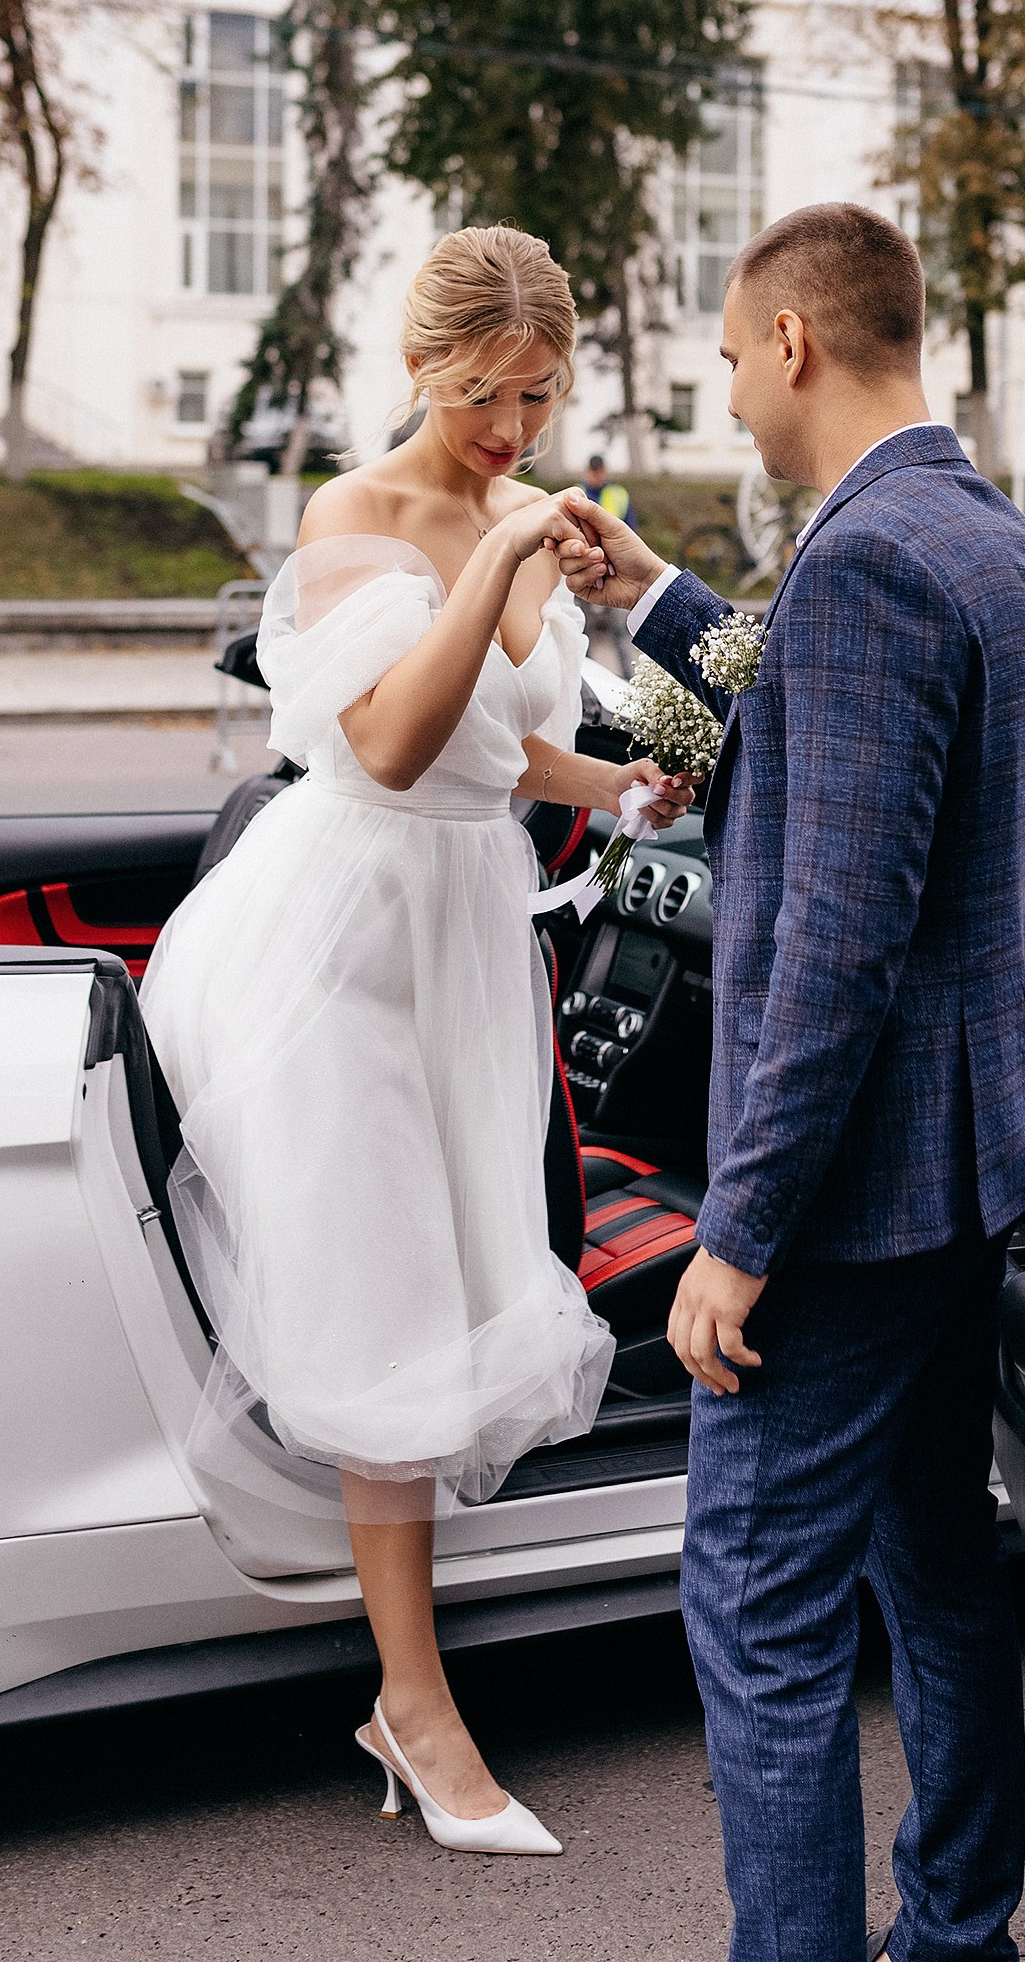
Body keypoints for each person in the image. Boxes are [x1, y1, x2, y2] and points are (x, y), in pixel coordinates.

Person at [553, 203, 1025, 1962]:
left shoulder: (861, 567)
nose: (718, 380)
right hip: (965, 1169)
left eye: (723, 345)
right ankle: (955, 1959)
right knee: (935, 1557)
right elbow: (820, 741)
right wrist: (651, 602)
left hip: (844, 1208)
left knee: (760, 1622)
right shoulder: (987, 539)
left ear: (791, 342)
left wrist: (738, 1232)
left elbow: (839, 938)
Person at [141, 225, 690, 1858]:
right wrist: (502, 552)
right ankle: (417, 1706)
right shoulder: (354, 518)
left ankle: (415, 1686)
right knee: (384, 1309)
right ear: (419, 369)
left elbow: (507, 753)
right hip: (344, 938)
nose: (511, 427)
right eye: (481, 394)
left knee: (452, 1283)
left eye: (536, 394)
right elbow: (389, 744)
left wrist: (634, 787)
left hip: (466, 932)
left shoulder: (514, 506)